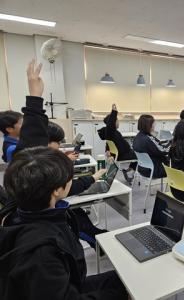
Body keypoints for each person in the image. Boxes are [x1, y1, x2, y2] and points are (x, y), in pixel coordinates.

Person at [2, 60, 107, 251]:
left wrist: (35, 97)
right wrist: (91, 177)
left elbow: (31, 142)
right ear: (56, 189)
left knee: (79, 215)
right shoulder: (44, 248)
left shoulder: (23, 191)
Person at [0, 147, 128, 299]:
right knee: (126, 289)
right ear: (55, 190)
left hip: (67, 283)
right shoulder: (41, 253)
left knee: (124, 279)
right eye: (69, 177)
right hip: (63, 290)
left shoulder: (19, 211)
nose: (71, 181)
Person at [98, 103, 137, 182]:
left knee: (136, 152)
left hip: (121, 154)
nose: (119, 122)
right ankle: (130, 171)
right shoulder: (111, 131)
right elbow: (110, 125)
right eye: (117, 120)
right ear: (113, 122)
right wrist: (114, 112)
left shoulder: (111, 133)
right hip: (122, 155)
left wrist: (107, 151)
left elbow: (108, 143)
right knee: (140, 154)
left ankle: (129, 171)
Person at [132, 114, 169, 179]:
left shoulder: (138, 137)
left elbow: (157, 145)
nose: (154, 126)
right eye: (153, 124)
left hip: (142, 168)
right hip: (154, 170)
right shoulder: (147, 139)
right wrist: (173, 144)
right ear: (148, 125)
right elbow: (163, 151)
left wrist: (168, 142)